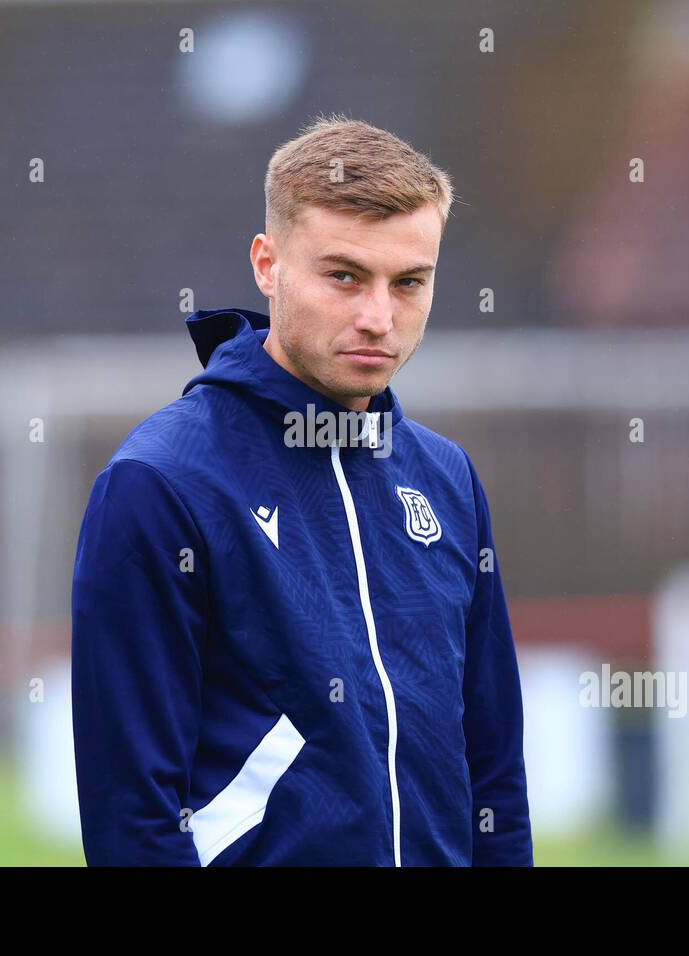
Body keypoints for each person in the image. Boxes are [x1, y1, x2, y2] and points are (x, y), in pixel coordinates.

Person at [71, 114, 532, 866]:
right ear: (267, 262)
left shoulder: (448, 481)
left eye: (409, 283)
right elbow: (133, 818)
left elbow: (496, 777)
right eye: (344, 276)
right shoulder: (159, 485)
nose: (378, 318)